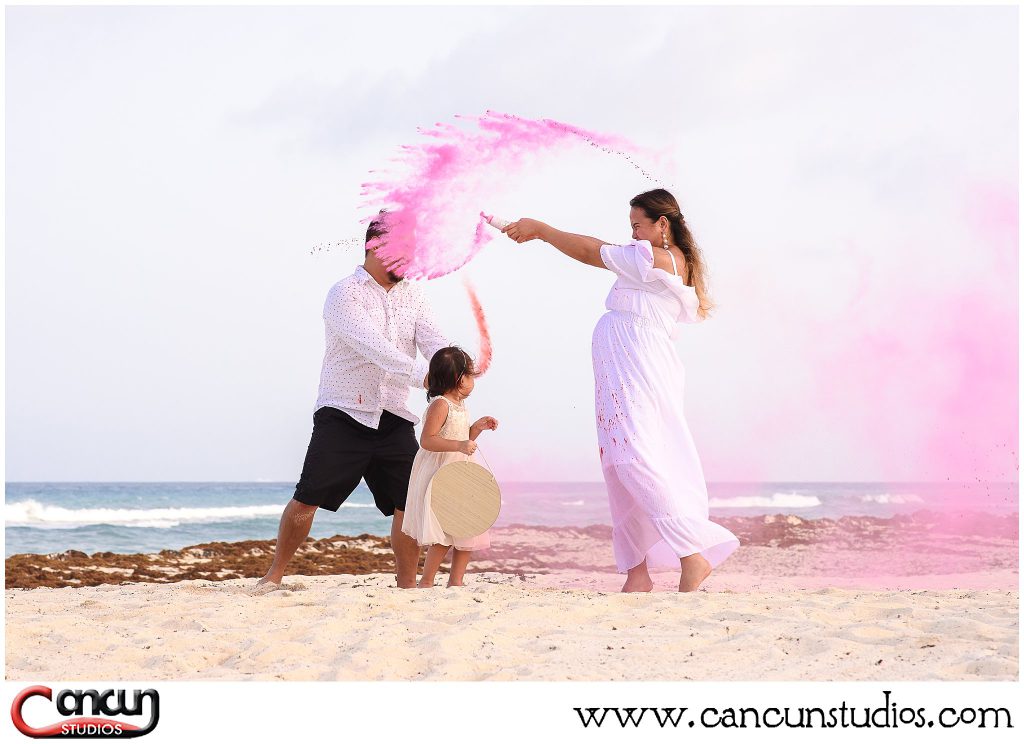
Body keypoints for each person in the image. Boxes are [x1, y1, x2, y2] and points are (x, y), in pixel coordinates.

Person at [502, 189, 738, 592]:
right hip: (630, 363)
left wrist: (541, 230)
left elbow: (591, 251)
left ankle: (690, 554)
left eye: (637, 225)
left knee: (631, 457)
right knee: (617, 461)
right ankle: (637, 572)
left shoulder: (652, 258)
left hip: (637, 364)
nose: (632, 234)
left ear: (661, 224)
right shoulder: (662, 260)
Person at [253, 213, 451, 594]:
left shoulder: (415, 294)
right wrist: (427, 378)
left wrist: (455, 367)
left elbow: (435, 341)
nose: (410, 262)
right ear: (375, 246)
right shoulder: (344, 293)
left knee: (408, 504)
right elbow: (375, 348)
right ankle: (274, 576)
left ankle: (407, 586)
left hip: (394, 413)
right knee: (307, 497)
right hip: (344, 411)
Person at [402, 346, 498, 588]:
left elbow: (461, 438)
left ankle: (456, 581)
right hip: (442, 473)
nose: (472, 381)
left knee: (468, 527)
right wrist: (460, 444)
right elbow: (428, 440)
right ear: (458, 378)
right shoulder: (440, 405)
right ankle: (427, 580)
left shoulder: (460, 406)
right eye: (469, 376)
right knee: (445, 530)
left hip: (460, 472)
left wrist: (475, 429)